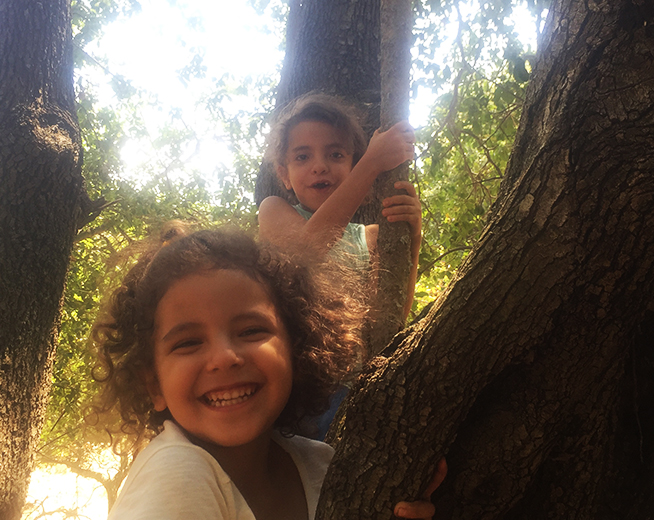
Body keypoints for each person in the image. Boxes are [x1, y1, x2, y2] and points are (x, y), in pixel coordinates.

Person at [91, 224, 444, 520]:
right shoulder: (176, 474)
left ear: (297, 347)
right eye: (187, 343)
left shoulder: (320, 464)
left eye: (250, 331)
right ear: (153, 383)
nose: (224, 357)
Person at [258, 93, 422, 322]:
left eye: (335, 155)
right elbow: (303, 253)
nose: (319, 166)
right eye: (302, 157)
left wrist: (413, 238)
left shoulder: (372, 238)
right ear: (284, 175)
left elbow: (388, 318)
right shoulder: (272, 210)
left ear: (352, 165)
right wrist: (372, 163)